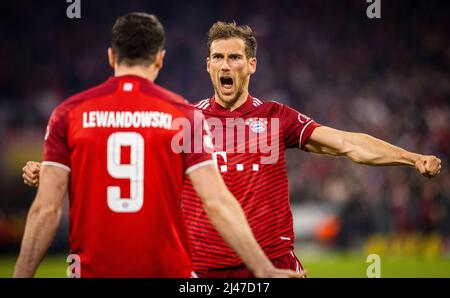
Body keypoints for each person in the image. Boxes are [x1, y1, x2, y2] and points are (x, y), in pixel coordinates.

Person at [23, 21, 442, 278]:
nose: (227, 66)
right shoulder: (184, 119)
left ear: (252, 64)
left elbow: (349, 144)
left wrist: (410, 157)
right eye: (219, 57)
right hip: (200, 267)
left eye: (236, 58)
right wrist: (59, 171)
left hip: (271, 265)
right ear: (207, 64)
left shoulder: (277, 117)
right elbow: (133, 167)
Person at [14, 14, 305, 278]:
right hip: (164, 269)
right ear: (160, 59)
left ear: (111, 56)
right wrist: (262, 268)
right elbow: (215, 201)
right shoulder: (182, 115)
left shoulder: (69, 112)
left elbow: (46, 210)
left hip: (91, 270)